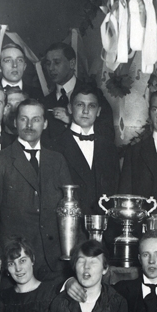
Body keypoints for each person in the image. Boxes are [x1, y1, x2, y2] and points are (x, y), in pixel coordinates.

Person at [0, 98, 73, 278]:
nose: (29, 125)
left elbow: (69, 212)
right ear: (15, 122)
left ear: (45, 124)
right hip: (15, 264)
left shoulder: (57, 160)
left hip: (54, 264)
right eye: (23, 119)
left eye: (36, 119)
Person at [41, 84, 119, 217]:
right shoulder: (53, 147)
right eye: (80, 105)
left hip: (104, 225)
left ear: (99, 111)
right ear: (70, 108)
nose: (86, 111)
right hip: (68, 223)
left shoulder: (109, 148)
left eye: (92, 106)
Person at [0, 237, 61, 312]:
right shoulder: (3, 298)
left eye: (22, 261)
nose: (18, 269)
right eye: (11, 264)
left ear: (32, 260)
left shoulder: (51, 293)